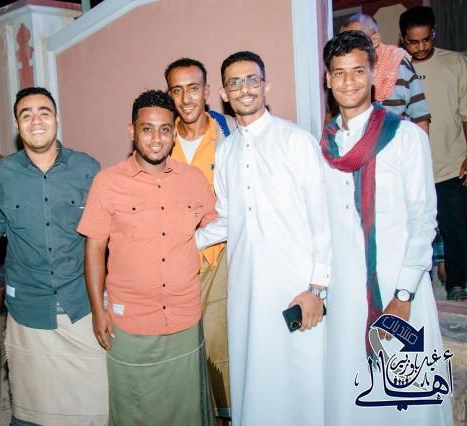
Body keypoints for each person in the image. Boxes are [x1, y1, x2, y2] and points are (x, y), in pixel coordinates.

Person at [321, 31, 452, 425]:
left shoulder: (406, 137)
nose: (348, 81)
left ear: (373, 74)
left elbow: (423, 218)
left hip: (400, 286)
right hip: (346, 293)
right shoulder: (325, 146)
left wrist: (404, 292)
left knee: (407, 398)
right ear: (328, 79)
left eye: (358, 71)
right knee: (353, 392)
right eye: (339, 72)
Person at [195, 51, 332, 426]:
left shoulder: (296, 141)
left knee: (301, 381)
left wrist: (317, 288)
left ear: (266, 85)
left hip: (296, 289)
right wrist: (187, 243)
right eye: (235, 83)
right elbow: (228, 218)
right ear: (224, 94)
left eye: (252, 80)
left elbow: (322, 218)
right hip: (247, 291)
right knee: (256, 378)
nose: (244, 89)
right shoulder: (225, 152)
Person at [78, 90, 216, 425]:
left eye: (165, 129)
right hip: (130, 324)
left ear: (174, 133)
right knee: (134, 413)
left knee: (187, 413)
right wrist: (98, 310)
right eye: (147, 129)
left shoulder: (194, 180)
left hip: (184, 320)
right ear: (132, 131)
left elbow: (216, 229)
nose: (156, 138)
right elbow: (94, 249)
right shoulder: (107, 183)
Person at [0, 87, 107, 426]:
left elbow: (108, 234)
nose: (36, 120)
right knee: (33, 410)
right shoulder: (2, 174)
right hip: (29, 311)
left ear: (57, 119)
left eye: (43, 112)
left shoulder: (87, 168)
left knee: (96, 405)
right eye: (26, 114)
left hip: (81, 307)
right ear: (17, 125)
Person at [164, 57, 232, 421]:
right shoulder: (161, 139)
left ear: (207, 91)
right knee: (180, 351)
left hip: (219, 258)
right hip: (171, 263)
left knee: (221, 350)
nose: (186, 98)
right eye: (177, 90)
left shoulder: (229, 137)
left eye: (193, 88)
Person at [400, 6, 467, 302]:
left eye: (426, 39)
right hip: (411, 170)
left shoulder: (455, 63)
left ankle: (458, 285)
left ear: (434, 34)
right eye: (413, 42)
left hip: (451, 164)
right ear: (403, 39)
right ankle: (419, 291)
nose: (420, 47)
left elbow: (466, 114)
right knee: (415, 233)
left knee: (456, 229)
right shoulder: (396, 68)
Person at [340, 13, 430, 133]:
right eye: (344, 43)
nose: (348, 48)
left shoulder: (399, 65)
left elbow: (420, 117)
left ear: (374, 40)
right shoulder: (343, 73)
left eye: (355, 41)